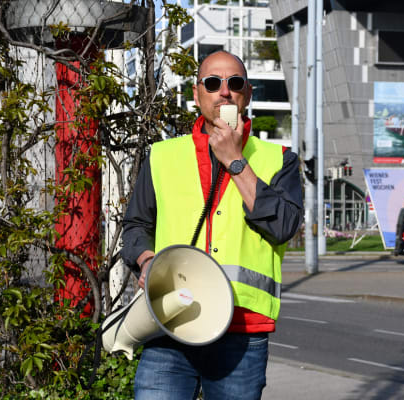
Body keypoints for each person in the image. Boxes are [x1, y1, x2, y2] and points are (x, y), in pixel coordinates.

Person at [121, 50, 304, 400]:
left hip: (241, 331)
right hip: (169, 321)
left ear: (247, 93)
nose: (224, 91)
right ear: (197, 94)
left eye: (234, 83)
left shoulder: (278, 159)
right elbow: (136, 225)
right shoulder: (162, 156)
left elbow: (283, 226)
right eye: (213, 83)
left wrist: (236, 161)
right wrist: (146, 260)